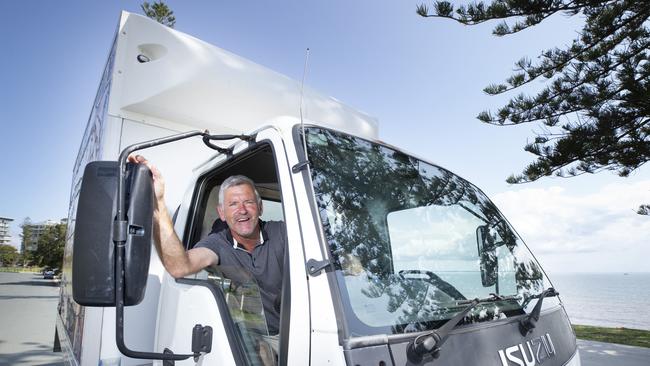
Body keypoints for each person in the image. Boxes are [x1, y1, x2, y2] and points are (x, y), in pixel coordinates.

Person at [128, 155, 286, 340]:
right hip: (252, 340)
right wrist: (157, 204)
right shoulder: (217, 243)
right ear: (222, 213)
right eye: (233, 204)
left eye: (249, 202)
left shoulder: (282, 232)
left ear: (260, 208)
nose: (242, 210)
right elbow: (180, 266)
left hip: (298, 328)